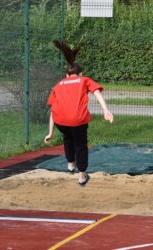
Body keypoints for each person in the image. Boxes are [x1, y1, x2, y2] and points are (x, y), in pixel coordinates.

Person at [44, 40, 113, 186]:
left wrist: (50, 132)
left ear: (67, 75)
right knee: (80, 145)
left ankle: (70, 164)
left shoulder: (58, 85)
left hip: (60, 121)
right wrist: (105, 110)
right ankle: (82, 175)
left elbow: (53, 110)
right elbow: (96, 92)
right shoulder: (84, 80)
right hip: (77, 120)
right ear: (80, 73)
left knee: (67, 138)